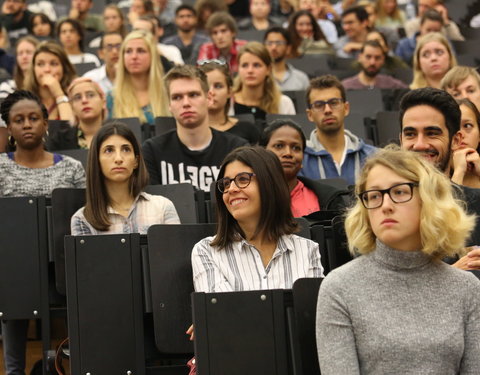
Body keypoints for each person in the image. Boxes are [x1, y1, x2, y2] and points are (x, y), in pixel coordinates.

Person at [316, 145, 480, 374]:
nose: (385, 205)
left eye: (400, 192)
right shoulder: (339, 288)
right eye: (373, 195)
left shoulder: (467, 289)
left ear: (428, 199)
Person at [0, 89, 85, 375]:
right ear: (9, 127)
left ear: (46, 123)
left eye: (34, 118)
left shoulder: (72, 169)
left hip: (62, 263)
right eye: (19, 119)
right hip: (14, 265)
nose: (27, 124)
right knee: (12, 284)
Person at [192, 145, 324, 293]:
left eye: (242, 179)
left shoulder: (307, 250)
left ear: (270, 184)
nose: (232, 189)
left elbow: (310, 313)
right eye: (226, 183)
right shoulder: (207, 252)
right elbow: (222, 313)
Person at [398, 87, 480, 264]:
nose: (419, 144)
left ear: (456, 140)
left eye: (432, 133)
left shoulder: (477, 204)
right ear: (401, 140)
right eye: (410, 134)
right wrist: (454, 277)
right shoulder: (383, 206)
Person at [142, 65, 247, 192]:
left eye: (193, 95)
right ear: (169, 105)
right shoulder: (152, 151)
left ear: (208, 98)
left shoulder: (236, 148)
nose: (186, 103)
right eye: (177, 97)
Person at [71, 122, 179, 235]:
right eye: (109, 150)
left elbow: (175, 251)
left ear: (136, 161)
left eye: (126, 149)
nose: (118, 159)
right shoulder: (82, 220)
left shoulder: (162, 207)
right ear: (97, 161)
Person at [261, 119, 348, 216]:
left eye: (296, 148)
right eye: (279, 146)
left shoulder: (330, 200)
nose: (288, 153)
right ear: (262, 152)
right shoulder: (249, 198)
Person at [300, 74, 377, 185]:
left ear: (346, 108)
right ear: (310, 115)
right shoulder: (300, 161)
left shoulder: (373, 156)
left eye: (334, 103)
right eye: (319, 105)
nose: (327, 110)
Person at [106, 30, 169, 125]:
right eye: (128, 51)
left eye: (141, 51)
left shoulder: (168, 93)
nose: (134, 56)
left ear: (153, 56)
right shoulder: (112, 97)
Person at [232, 41, 296, 124]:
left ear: (268, 69)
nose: (250, 70)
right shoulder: (228, 102)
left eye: (256, 65)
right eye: (244, 65)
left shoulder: (284, 103)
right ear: (238, 69)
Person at [198, 60, 261, 144]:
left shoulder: (248, 130)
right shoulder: (187, 131)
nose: (211, 92)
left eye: (218, 86)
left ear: (229, 92)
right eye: (206, 86)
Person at [24, 41, 77, 122]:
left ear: (64, 68)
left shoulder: (76, 97)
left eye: (54, 64)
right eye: (40, 64)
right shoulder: (23, 100)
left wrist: (59, 94)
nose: (47, 70)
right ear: (33, 69)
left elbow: (69, 129)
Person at [342, 40, 407, 90]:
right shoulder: (346, 86)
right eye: (368, 57)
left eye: (377, 58)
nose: (372, 62)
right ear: (359, 57)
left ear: (383, 60)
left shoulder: (393, 85)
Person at [263, 25, 310, 91]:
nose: (273, 47)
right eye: (269, 43)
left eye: (278, 43)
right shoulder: (259, 77)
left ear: (288, 48)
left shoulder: (301, 78)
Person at [66, 77, 105, 149]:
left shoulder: (116, 135)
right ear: (72, 107)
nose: (84, 100)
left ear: (103, 102)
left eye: (90, 95)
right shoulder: (61, 142)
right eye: (78, 97)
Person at [450, 99, 480, 189]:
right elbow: (448, 203)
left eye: (467, 125)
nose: (460, 134)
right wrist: (459, 172)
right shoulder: (429, 178)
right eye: (453, 127)